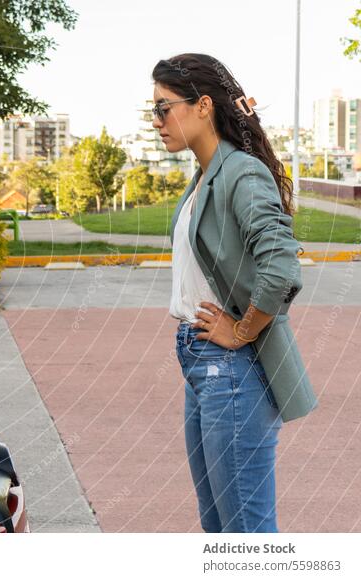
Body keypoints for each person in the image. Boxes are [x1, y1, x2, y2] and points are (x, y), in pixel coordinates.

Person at [152, 53, 317, 533]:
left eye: (164, 108)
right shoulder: (205, 175)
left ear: (203, 106)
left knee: (245, 531)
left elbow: (282, 265)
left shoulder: (241, 173)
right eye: (152, 111)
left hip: (231, 368)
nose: (157, 121)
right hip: (201, 361)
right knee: (220, 525)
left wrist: (242, 330)